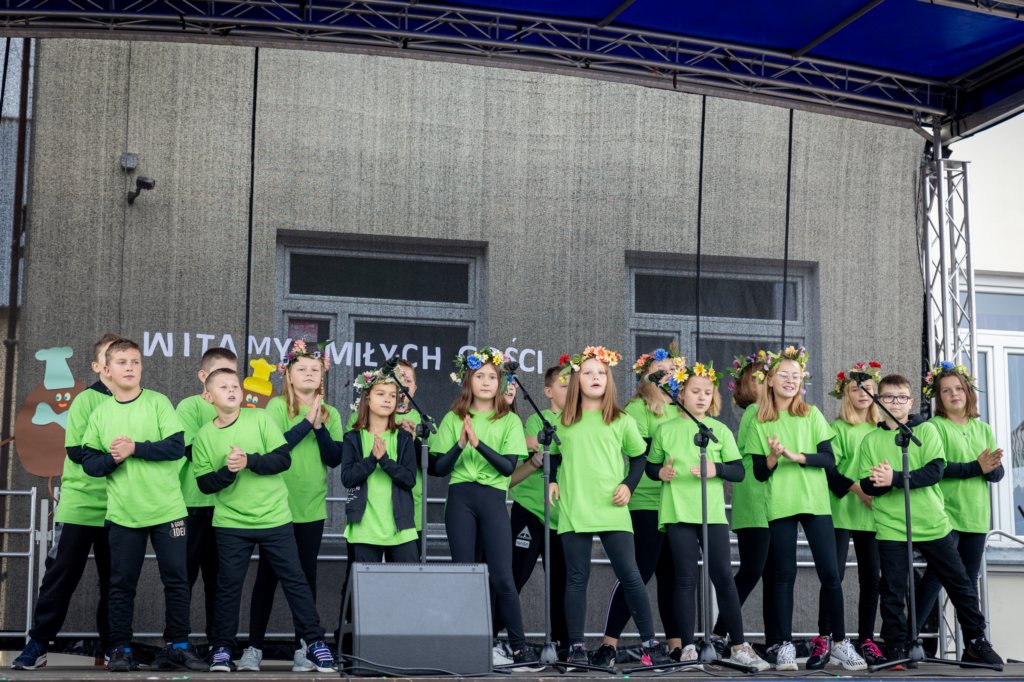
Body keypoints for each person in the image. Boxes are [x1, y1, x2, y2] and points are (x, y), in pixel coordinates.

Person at [192, 368, 336, 673]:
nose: (232, 391)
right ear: (208, 396)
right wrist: (229, 471)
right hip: (231, 524)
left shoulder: (260, 418)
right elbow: (205, 484)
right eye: (223, 387)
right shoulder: (204, 436)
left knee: (295, 580)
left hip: (274, 519)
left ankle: (314, 643)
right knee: (228, 587)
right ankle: (222, 648)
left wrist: (249, 460)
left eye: (235, 386)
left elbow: (282, 459)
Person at [857, 373, 1002, 668]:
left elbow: (934, 472)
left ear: (911, 402)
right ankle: (896, 646)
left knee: (960, 583)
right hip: (891, 526)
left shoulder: (927, 432)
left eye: (901, 397)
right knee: (892, 589)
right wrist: (880, 481)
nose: (895, 403)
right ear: (879, 401)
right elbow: (868, 485)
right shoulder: (870, 440)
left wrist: (893, 478)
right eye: (888, 397)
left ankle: (976, 640)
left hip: (933, 522)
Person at [79, 339, 206, 672]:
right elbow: (89, 463)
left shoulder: (158, 402)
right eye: (122, 362)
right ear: (107, 369)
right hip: (124, 513)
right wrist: (113, 458)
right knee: (121, 584)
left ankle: (178, 646)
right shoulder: (101, 412)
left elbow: (176, 447)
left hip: (168, 510)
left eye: (135, 362)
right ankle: (120, 649)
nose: (130, 367)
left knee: (177, 580)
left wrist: (135, 448)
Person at [548, 346, 671, 669]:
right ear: (577, 380)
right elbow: (554, 456)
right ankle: (576, 647)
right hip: (575, 505)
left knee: (631, 575)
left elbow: (639, 457)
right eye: (588, 373)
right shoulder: (563, 421)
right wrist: (553, 480)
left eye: (601, 373)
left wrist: (628, 485)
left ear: (609, 379)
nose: (595, 378)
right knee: (576, 577)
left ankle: (650, 644)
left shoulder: (621, 419)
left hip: (613, 506)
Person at [645, 361, 770, 671]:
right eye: (695, 391)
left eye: (707, 392)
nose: (702, 397)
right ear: (681, 395)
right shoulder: (665, 430)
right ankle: (687, 647)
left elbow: (739, 471)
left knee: (724, 577)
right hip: (678, 513)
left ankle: (738, 645)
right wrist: (660, 472)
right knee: (685, 579)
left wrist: (716, 469)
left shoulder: (720, 430)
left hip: (711, 514)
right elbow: (650, 466)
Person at [750, 346, 866, 671]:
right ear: (770, 380)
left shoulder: (812, 414)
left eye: (796, 376)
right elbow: (759, 472)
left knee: (830, 574)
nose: (790, 380)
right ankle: (785, 646)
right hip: (781, 505)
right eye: (784, 375)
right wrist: (774, 456)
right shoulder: (760, 421)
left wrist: (796, 456)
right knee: (783, 575)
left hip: (815, 503)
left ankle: (839, 643)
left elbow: (828, 459)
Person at [12, 334, 123, 671]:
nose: (117, 364)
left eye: (123, 358)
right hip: (80, 505)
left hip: (120, 507)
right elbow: (82, 452)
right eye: (110, 357)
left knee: (116, 582)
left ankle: (113, 647)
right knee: (60, 577)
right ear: (98, 366)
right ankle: (38, 644)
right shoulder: (86, 401)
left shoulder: (140, 402)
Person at [430, 347, 540, 670]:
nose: (487, 382)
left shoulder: (510, 420)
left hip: (493, 499)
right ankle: (467, 647)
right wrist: (461, 444)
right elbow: (438, 468)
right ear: (469, 380)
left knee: (503, 576)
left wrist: (478, 444)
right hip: (460, 498)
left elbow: (507, 468)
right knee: (465, 574)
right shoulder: (454, 418)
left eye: (493, 377)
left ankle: (518, 649)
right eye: (480, 376)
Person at [245, 340, 342, 672]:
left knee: (305, 578)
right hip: (276, 508)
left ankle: (305, 647)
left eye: (315, 369)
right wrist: (305, 424)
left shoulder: (331, 413)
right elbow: (277, 448)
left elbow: (335, 458)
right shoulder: (275, 408)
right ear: (288, 374)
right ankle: (253, 648)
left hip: (311, 508)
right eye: (302, 368)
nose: (309, 373)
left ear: (323, 375)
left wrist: (319, 426)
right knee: (268, 577)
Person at [591, 349, 682, 667]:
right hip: (645, 502)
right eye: (659, 369)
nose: (666, 374)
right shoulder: (637, 409)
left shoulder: (681, 409)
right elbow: (642, 457)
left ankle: (675, 647)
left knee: (672, 576)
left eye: (671, 369)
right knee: (637, 574)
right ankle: (608, 646)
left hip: (676, 505)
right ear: (645, 375)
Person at [915, 362, 1004, 655]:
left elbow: (995, 474)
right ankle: (907, 640)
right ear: (939, 398)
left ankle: (972, 646)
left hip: (975, 516)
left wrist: (992, 468)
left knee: (968, 584)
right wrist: (978, 466)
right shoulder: (934, 427)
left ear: (968, 392)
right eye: (946, 391)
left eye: (958, 389)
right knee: (935, 580)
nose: (954, 394)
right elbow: (938, 468)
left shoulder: (983, 428)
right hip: (945, 516)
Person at [710, 351, 777, 656]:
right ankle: (719, 632)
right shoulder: (755, 412)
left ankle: (775, 640)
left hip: (769, 502)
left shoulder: (762, 412)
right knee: (751, 571)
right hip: (755, 501)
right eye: (766, 379)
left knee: (772, 573)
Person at [820, 361, 885, 665]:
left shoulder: (881, 430)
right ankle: (827, 637)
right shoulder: (837, 428)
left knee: (871, 578)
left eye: (868, 388)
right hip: (842, 509)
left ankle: (867, 639)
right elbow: (830, 469)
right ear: (845, 394)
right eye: (856, 389)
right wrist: (859, 490)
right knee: (834, 576)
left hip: (871, 514)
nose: (862, 393)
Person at [175, 346, 238, 653]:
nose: (227, 382)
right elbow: (190, 450)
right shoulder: (189, 406)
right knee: (183, 576)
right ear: (203, 376)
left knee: (220, 580)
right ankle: (179, 643)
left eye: (233, 375)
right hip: (192, 505)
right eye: (218, 374)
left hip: (227, 508)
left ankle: (219, 645)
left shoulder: (241, 410)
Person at [506, 364, 569, 654]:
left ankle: (564, 645)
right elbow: (539, 451)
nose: (570, 390)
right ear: (548, 391)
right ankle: (496, 637)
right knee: (515, 575)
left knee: (562, 584)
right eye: (564, 385)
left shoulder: (581, 422)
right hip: (531, 510)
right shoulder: (537, 419)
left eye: (573, 386)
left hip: (563, 517)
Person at [340, 368, 418, 561]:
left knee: (410, 579)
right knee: (363, 579)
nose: (387, 400)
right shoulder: (353, 438)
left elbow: (409, 480)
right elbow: (347, 478)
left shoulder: (403, 438)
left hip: (401, 527)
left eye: (393, 395)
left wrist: (384, 461)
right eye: (381, 394)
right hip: (364, 527)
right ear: (367, 398)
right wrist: (371, 460)